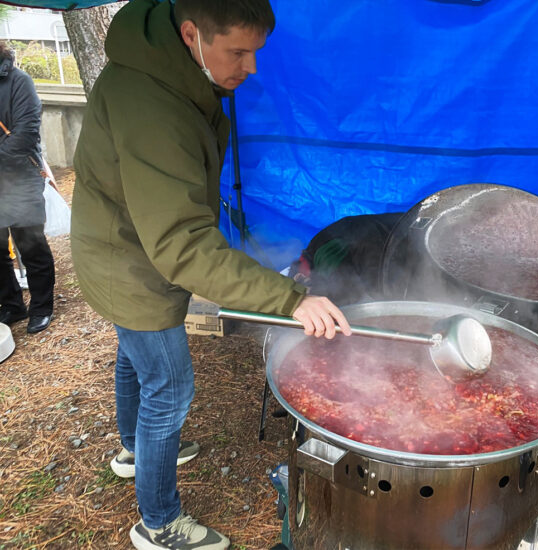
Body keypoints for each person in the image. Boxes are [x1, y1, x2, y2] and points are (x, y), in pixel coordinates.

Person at [70, 1, 351, 549]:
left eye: (256, 52)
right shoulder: (152, 107)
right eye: (238, 52)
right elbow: (181, 245)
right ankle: (159, 523)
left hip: (125, 243)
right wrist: (290, 299)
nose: (251, 68)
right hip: (128, 261)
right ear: (191, 34)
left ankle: (133, 449)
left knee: (136, 355)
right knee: (169, 387)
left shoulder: (171, 72)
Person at [0, 41, 56, 335]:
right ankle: (12, 304)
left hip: (20, 177)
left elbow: (25, 133)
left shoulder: (19, 81)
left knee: (31, 245)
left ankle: (41, 307)